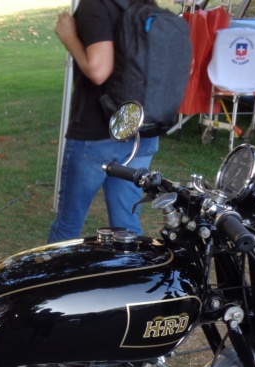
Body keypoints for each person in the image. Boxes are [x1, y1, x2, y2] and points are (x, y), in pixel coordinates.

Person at [48, 0, 160, 242]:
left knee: (68, 227)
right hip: (142, 130)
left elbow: (98, 70)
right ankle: (129, 278)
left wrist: (69, 38)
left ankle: (58, 280)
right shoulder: (147, 4)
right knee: (126, 229)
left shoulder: (96, 5)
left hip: (97, 133)